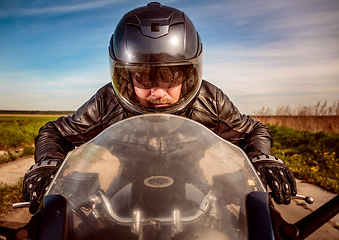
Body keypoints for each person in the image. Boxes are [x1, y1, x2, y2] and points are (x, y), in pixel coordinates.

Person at [23, 2, 297, 214]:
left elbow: (254, 130)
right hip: (124, 186)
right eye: (142, 76)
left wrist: (262, 158)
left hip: (197, 187)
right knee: (53, 221)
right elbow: (54, 132)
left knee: (267, 219)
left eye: (169, 77)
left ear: (188, 74)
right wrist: (48, 165)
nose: (156, 93)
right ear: (126, 76)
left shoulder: (210, 99)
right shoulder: (108, 100)